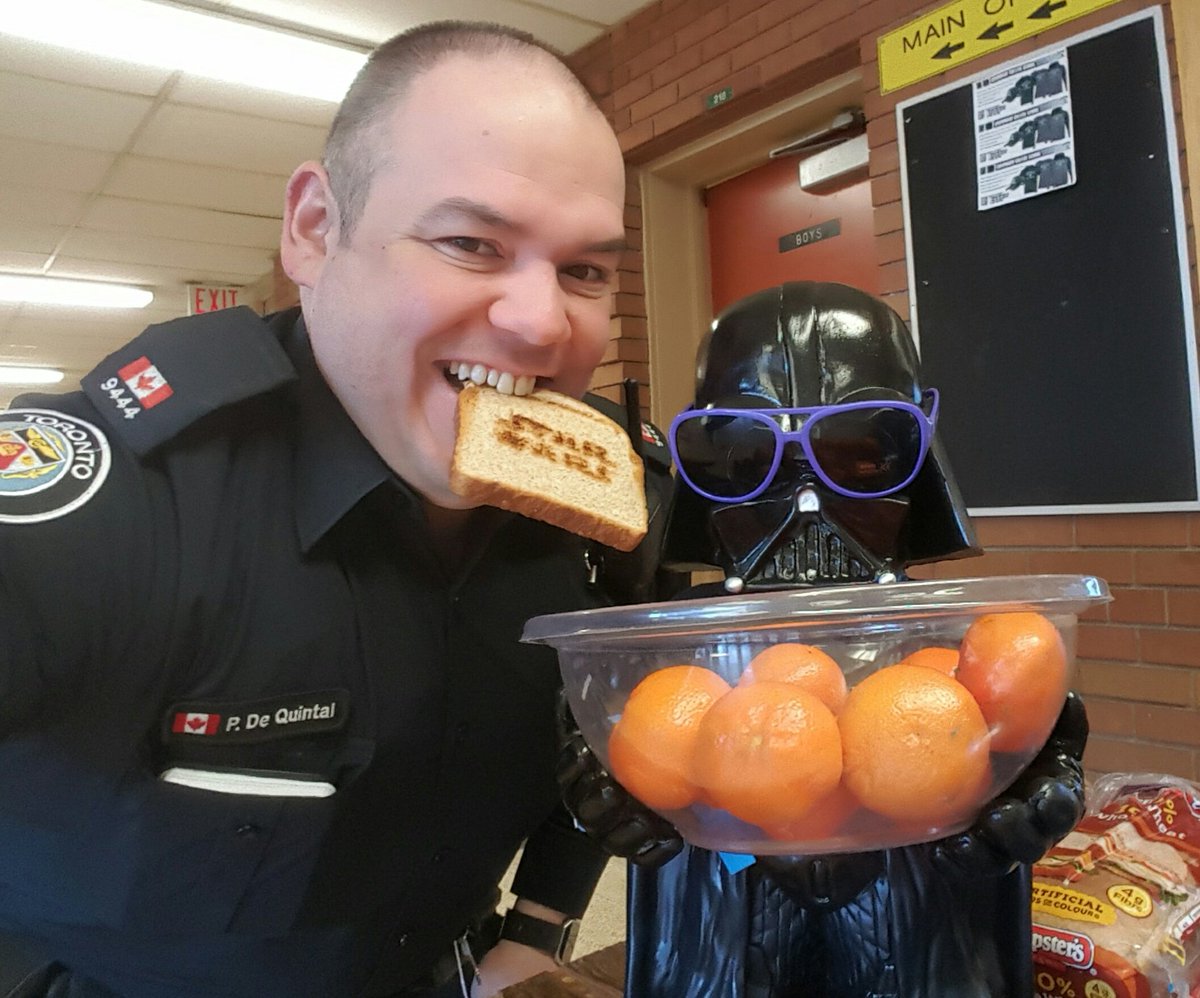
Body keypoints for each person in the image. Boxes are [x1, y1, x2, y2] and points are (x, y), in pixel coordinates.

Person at [0, 20, 670, 998]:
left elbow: (591, 758)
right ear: (315, 229)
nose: (541, 321)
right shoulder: (130, 501)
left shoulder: (601, 509)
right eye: (471, 242)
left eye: (584, 270)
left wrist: (539, 926)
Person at [559, 282, 1089, 996]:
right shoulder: (669, 654)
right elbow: (652, 770)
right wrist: (609, 767)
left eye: (859, 447)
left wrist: (1031, 769)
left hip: (918, 926)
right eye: (747, 455)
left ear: (919, 445)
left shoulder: (962, 648)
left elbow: (1011, 734)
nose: (807, 498)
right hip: (724, 928)